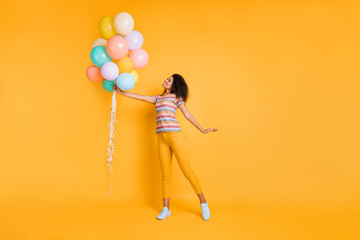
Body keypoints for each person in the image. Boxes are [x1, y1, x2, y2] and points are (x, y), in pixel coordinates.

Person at [113, 73, 218, 220]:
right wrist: (120, 92)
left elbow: (187, 115)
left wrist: (202, 129)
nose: (165, 81)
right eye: (166, 79)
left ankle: (203, 202)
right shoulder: (158, 98)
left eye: (169, 80)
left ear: (174, 85)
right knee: (166, 175)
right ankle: (166, 208)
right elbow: (142, 97)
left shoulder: (177, 98)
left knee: (187, 171)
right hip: (161, 138)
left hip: (176, 137)